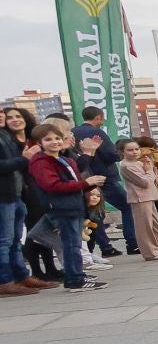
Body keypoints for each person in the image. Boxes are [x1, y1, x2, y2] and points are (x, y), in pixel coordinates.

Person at [27, 124, 108, 292]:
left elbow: (76, 183)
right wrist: (86, 183)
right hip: (61, 208)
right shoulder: (42, 162)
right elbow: (53, 186)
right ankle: (75, 280)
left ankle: (75, 274)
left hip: (72, 206)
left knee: (70, 243)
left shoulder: (65, 160)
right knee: (71, 245)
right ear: (39, 143)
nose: (54, 142)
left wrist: (87, 186)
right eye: (48, 139)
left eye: (57, 138)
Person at [71, 106, 129, 255]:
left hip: (84, 177)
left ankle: (100, 247)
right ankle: (132, 242)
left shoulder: (73, 132)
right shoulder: (97, 132)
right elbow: (110, 154)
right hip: (104, 176)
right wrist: (120, 154)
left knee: (93, 212)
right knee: (127, 206)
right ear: (98, 117)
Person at [0, 107, 41, 295]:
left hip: (15, 195)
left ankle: (21, 276)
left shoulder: (5, 136)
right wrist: (23, 159)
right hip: (3, 198)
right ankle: (4, 280)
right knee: (4, 240)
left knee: (16, 240)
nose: (2, 116)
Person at [115, 139, 158, 260]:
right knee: (145, 227)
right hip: (139, 198)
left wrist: (149, 166)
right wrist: (148, 169)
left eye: (136, 149)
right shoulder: (126, 166)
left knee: (155, 225)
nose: (135, 152)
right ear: (122, 152)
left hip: (149, 196)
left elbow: (154, 178)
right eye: (130, 150)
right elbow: (145, 182)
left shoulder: (139, 162)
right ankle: (150, 252)